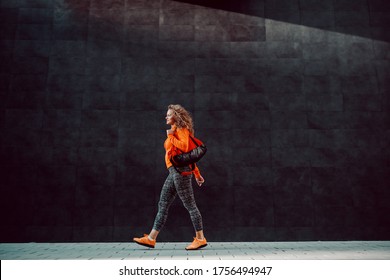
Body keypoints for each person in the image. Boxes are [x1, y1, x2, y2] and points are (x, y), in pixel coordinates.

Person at [133, 104, 207, 250]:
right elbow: (186, 157)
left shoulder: (181, 130)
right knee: (163, 204)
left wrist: (171, 137)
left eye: (168, 114)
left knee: (190, 205)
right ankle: (151, 238)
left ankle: (200, 238)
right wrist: (197, 175)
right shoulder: (175, 130)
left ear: (176, 116)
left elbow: (186, 148)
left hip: (180, 172)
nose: (166, 117)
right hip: (174, 172)